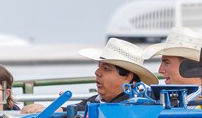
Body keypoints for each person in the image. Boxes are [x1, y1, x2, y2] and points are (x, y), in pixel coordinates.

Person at [21, 38, 157, 114]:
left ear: (127, 77)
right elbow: (79, 109)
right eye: (99, 67)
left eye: (106, 68)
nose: (97, 72)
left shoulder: (139, 104)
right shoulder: (97, 101)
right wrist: (56, 110)